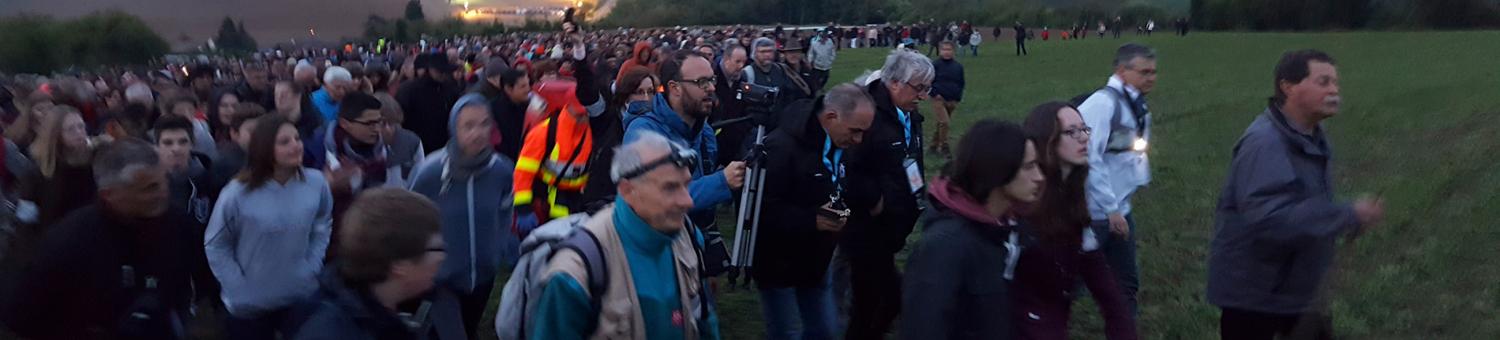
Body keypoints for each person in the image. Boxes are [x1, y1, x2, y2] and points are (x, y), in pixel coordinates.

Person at [1207, 50, 1384, 340]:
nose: (1334, 91)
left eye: (1336, 83)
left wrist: (1345, 221)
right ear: (1288, 86)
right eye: (1323, 82)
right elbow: (1269, 218)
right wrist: (1346, 215)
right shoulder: (1265, 143)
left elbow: (1305, 207)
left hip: (1298, 292)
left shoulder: (1313, 136)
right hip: (1258, 298)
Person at [526, 131, 721, 340]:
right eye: (670, 188)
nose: (687, 201)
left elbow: (704, 319)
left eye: (686, 185)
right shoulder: (575, 273)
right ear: (627, 190)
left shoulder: (685, 236)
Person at [0, 139, 199, 339]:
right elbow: (21, 316)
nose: (163, 192)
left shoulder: (178, 222)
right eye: (149, 188)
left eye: (164, 180)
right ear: (109, 195)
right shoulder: (69, 242)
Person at [898, 119, 1044, 340]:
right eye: (1029, 167)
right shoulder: (945, 246)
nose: (1039, 177)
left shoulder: (1006, 228)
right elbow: (924, 327)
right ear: (998, 169)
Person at [754, 84, 874, 340]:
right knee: (789, 333)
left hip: (818, 261)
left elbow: (842, 181)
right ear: (831, 117)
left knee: (826, 331)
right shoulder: (781, 148)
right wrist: (813, 220)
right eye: (855, 131)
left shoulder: (840, 143)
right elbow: (761, 212)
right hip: (779, 267)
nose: (858, 140)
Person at [1016, 102, 1138, 340]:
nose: (1083, 138)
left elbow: (1106, 289)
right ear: (1047, 139)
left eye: (1084, 129)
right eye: (1071, 132)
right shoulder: (1024, 205)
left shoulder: (1072, 198)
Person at [206, 115, 334, 340]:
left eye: (297, 138)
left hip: (299, 296)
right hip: (249, 306)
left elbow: (322, 225)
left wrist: (312, 264)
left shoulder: (316, 183)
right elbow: (216, 244)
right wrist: (237, 287)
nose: (296, 145)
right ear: (264, 148)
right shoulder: (237, 193)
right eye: (284, 142)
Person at [286, 188, 467, 340]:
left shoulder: (426, 303)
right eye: (435, 248)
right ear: (399, 265)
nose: (442, 256)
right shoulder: (329, 331)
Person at [840, 49, 933, 339]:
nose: (924, 96)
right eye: (919, 88)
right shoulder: (867, 116)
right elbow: (848, 166)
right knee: (879, 301)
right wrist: (875, 201)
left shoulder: (906, 113)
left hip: (893, 226)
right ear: (895, 83)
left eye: (927, 89)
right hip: (868, 230)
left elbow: (909, 158)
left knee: (880, 300)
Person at [407, 98, 517, 337]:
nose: (478, 133)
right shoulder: (431, 171)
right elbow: (409, 220)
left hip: (483, 276)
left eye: (484, 124)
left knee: (467, 328)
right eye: (468, 126)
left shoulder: (502, 170)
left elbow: (506, 211)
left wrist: (497, 250)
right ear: (454, 129)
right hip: (442, 279)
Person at [623, 51, 747, 257]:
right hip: (658, 251)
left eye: (712, 79)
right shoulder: (644, 133)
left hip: (694, 241)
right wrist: (722, 182)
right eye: (701, 82)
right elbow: (657, 200)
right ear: (675, 88)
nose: (711, 88)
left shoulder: (703, 129)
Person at [1077, 43, 1158, 315]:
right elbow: (1090, 158)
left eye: (1154, 72)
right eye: (1144, 72)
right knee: (1070, 285)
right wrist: (1110, 208)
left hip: (1119, 211)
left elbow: (1130, 151)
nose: (1151, 78)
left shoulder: (1135, 104)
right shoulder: (1102, 104)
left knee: (1126, 285)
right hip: (1092, 214)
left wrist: (1135, 183)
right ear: (1122, 71)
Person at [511, 79, 595, 233]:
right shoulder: (544, 132)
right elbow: (523, 171)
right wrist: (523, 207)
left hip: (580, 199)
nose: (583, 118)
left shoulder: (591, 130)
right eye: (579, 114)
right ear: (567, 107)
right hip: (548, 199)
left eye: (585, 114)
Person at [580, 68, 657, 212]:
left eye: (651, 91)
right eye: (639, 92)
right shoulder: (608, 119)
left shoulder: (657, 125)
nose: (647, 98)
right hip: (603, 201)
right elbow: (587, 94)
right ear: (626, 95)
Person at [19, 106, 96, 229]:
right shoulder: (37, 172)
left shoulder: (95, 159)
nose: (79, 132)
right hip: (56, 234)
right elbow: (26, 219)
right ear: (56, 134)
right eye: (71, 129)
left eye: (81, 126)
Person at [399, 54, 463, 152]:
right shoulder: (410, 90)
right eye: (440, 71)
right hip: (419, 145)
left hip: (443, 145)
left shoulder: (449, 88)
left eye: (445, 71)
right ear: (430, 69)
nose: (443, 74)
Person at [742, 37, 814, 118]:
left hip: (780, 123)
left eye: (770, 51)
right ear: (754, 53)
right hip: (756, 125)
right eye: (763, 51)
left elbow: (789, 94)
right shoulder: (747, 73)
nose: (767, 54)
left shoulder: (781, 70)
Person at [709, 43, 750, 167]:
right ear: (726, 60)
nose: (741, 66)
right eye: (737, 62)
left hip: (736, 142)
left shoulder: (742, 79)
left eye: (743, 62)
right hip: (713, 141)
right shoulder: (711, 78)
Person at [211, 105, 266, 193]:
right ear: (234, 133)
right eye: (251, 131)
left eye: (262, 130)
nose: (258, 135)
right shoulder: (225, 164)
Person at [375, 94, 425, 188]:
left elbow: (419, 175)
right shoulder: (366, 144)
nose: (388, 129)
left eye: (391, 123)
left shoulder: (412, 142)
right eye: (382, 124)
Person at [928, 41, 966, 157]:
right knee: (944, 122)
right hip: (938, 98)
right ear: (939, 51)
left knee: (941, 124)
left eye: (949, 50)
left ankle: (933, 146)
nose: (946, 52)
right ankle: (944, 147)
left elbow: (961, 82)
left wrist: (957, 97)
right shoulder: (935, 65)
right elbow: (929, 81)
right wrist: (935, 93)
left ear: (953, 51)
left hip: (952, 99)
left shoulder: (958, 67)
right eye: (944, 49)